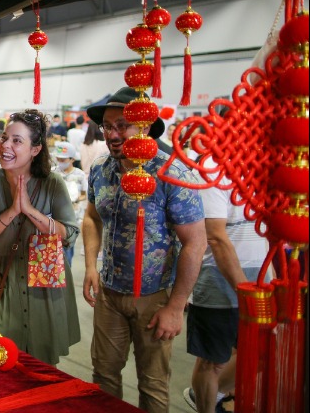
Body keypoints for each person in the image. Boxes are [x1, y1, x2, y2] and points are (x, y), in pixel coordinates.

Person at [82, 87, 206, 413]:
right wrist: (92, 267)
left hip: (155, 297)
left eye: (122, 125)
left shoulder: (172, 173)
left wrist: (176, 306)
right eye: (108, 126)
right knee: (103, 377)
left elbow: (196, 242)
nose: (112, 134)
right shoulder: (101, 168)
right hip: (109, 293)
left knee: (152, 385)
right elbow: (92, 218)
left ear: (145, 127)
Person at [0, 109, 81, 365]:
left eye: (17, 141)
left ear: (35, 149)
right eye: (5, 138)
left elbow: (68, 234)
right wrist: (12, 212)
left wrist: (30, 211)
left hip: (42, 285)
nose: (6, 145)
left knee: (39, 365)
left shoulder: (53, 184)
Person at [182, 164, 268, 413]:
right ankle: (206, 402)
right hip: (219, 281)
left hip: (259, 278)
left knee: (259, 352)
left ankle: (213, 393)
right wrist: (245, 288)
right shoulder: (210, 169)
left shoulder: (256, 170)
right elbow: (216, 237)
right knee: (213, 360)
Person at [51, 141, 87, 264]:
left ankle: (67, 277)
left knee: (68, 250)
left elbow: (84, 195)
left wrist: (75, 199)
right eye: (58, 159)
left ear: (72, 159)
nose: (60, 162)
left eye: (63, 160)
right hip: (54, 217)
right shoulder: (52, 173)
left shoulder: (80, 175)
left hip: (73, 217)